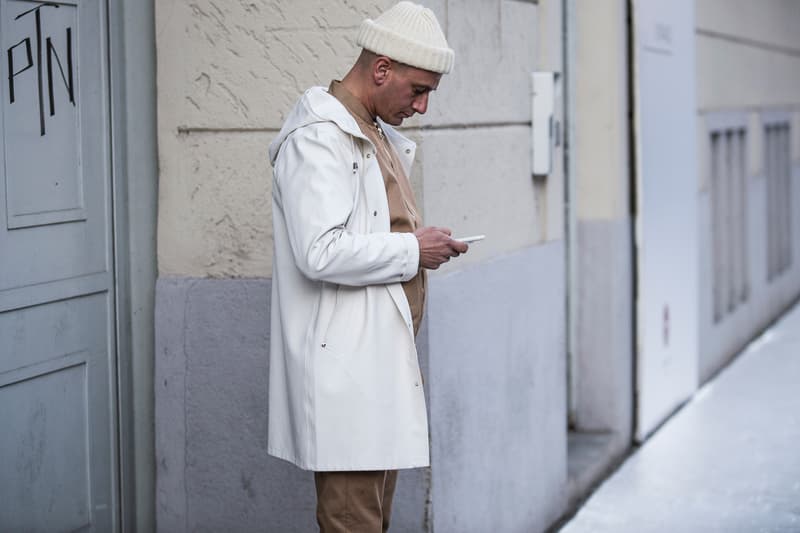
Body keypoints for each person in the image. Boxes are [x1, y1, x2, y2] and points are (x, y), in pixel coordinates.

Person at [267, 2, 467, 531]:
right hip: (348, 381)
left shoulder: (370, 130)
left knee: (370, 522)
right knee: (354, 523)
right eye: (418, 90)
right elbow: (320, 251)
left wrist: (423, 247)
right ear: (382, 69)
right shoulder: (318, 136)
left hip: (375, 373)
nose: (422, 107)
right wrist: (413, 251)